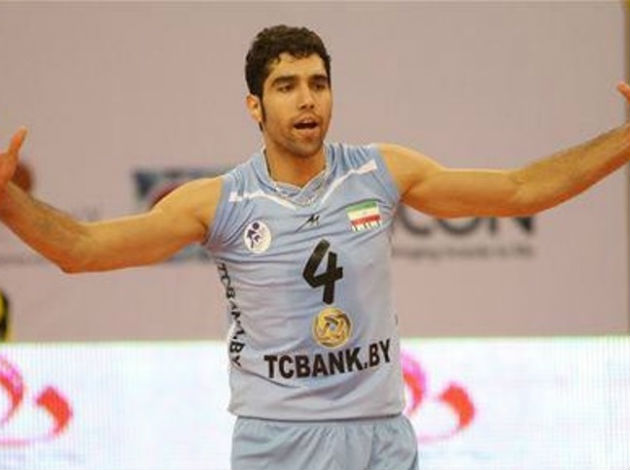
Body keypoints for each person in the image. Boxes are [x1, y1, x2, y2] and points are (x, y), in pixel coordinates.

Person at [0, 25, 629, 470]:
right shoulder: (220, 201)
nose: (307, 98)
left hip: (380, 436)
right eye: (286, 85)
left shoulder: (380, 172)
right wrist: (7, 200)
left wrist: (623, 140)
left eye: (318, 83)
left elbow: (521, 190)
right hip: (279, 440)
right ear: (255, 105)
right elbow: (82, 247)